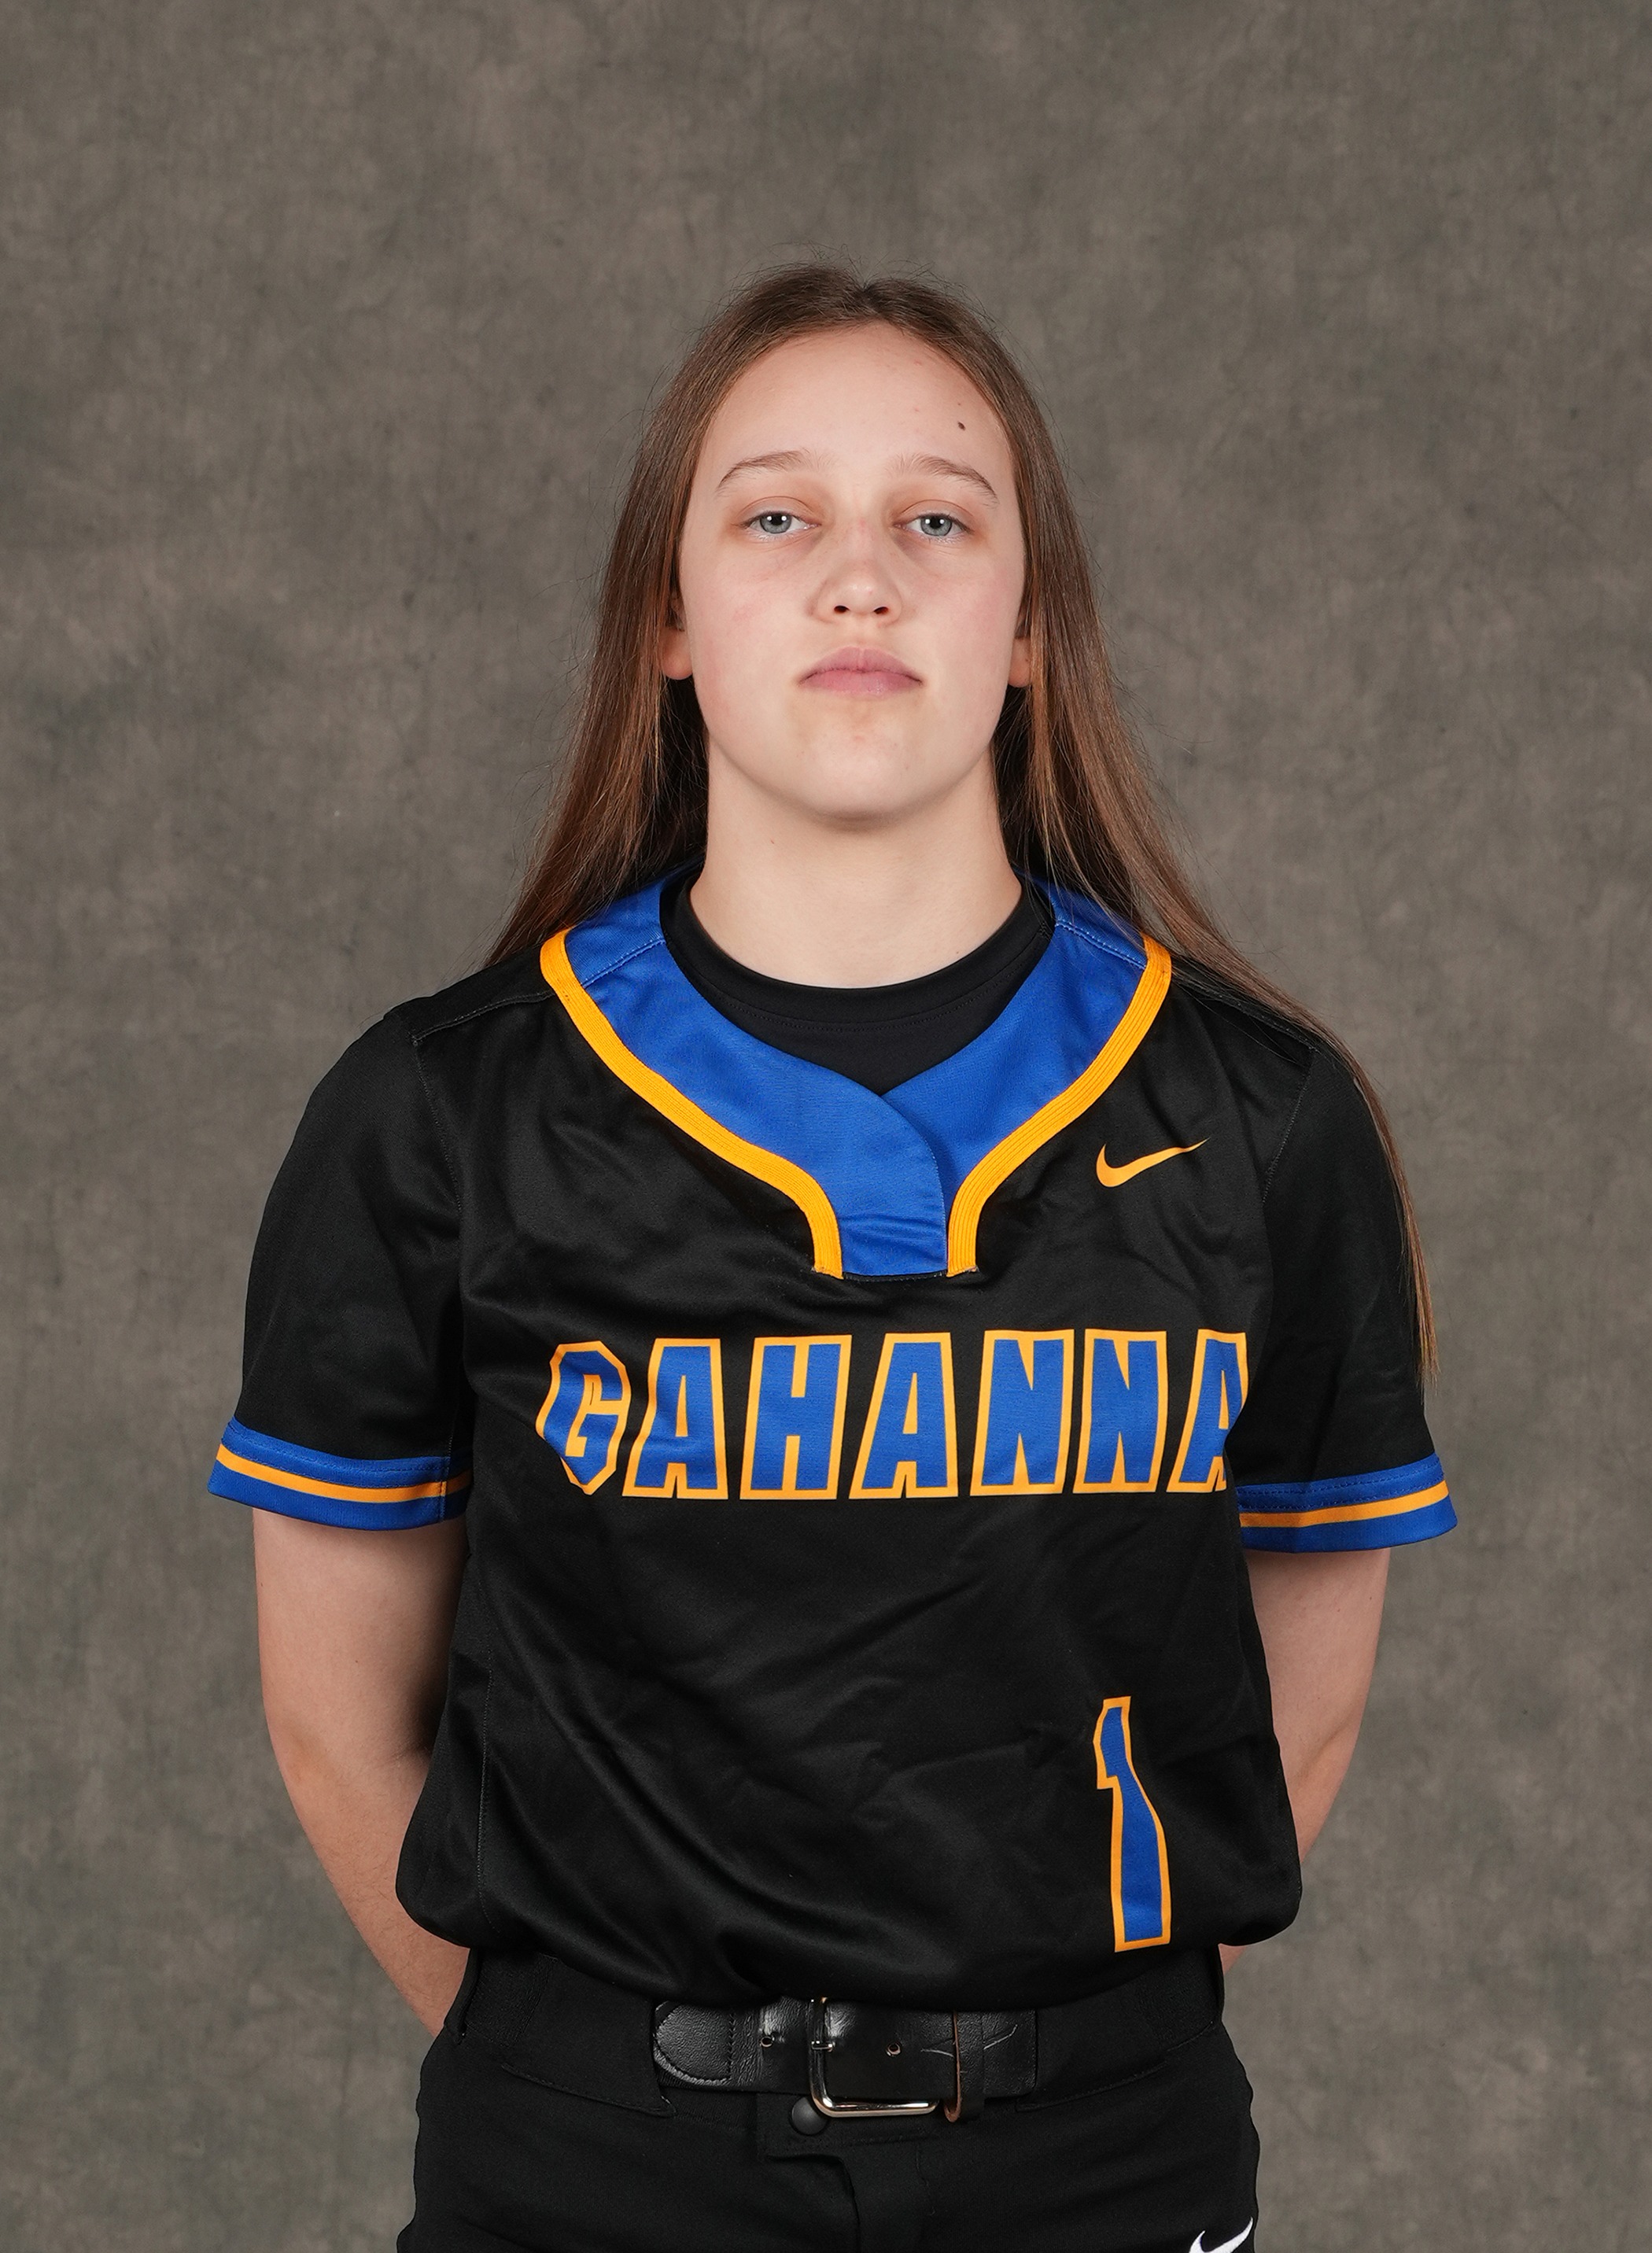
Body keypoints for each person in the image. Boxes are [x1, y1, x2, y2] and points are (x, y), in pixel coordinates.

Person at [212, 265, 1455, 2252]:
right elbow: (338, 1723)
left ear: (1030, 626)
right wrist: (606, 2091)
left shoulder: (1261, 1115)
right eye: (777, 515)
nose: (860, 580)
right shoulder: (443, 1111)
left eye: (937, 521)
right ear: (670, 619)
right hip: (594, 2162)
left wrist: (1049, 2065)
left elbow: (1291, 1711)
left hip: (1103, 2155)